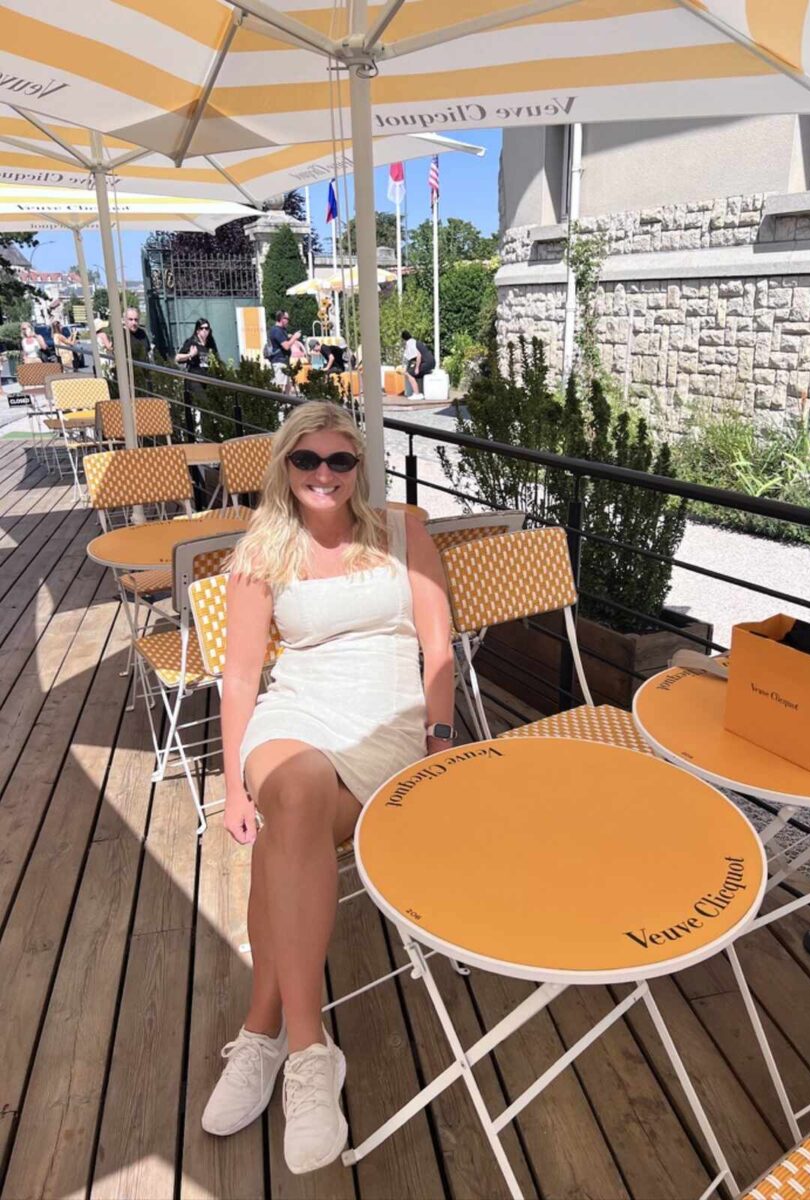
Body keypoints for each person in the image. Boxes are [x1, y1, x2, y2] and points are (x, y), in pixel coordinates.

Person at [202, 402, 454, 1175]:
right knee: (298, 791)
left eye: (338, 461)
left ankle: (262, 1029)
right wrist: (231, 783)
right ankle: (312, 1052)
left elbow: (439, 645)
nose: (322, 475)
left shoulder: (403, 528)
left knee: (291, 835)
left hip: (389, 726)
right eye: (304, 460)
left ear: (359, 467)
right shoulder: (262, 550)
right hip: (295, 714)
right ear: (284, 467)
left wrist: (441, 742)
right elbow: (242, 675)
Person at [267, 310, 303, 394]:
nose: (288, 321)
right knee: (280, 385)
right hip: (279, 361)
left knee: (288, 386)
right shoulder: (276, 331)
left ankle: (287, 404)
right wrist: (294, 338)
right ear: (282, 319)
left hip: (284, 362)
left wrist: (289, 337)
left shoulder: (280, 330)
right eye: (287, 319)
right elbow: (286, 346)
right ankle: (279, 404)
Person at [401, 330, 435, 396]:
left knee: (409, 373)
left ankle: (416, 394)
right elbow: (412, 359)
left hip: (427, 363)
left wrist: (416, 368)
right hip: (432, 362)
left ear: (404, 339)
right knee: (414, 372)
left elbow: (418, 355)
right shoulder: (416, 341)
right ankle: (420, 392)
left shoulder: (410, 343)